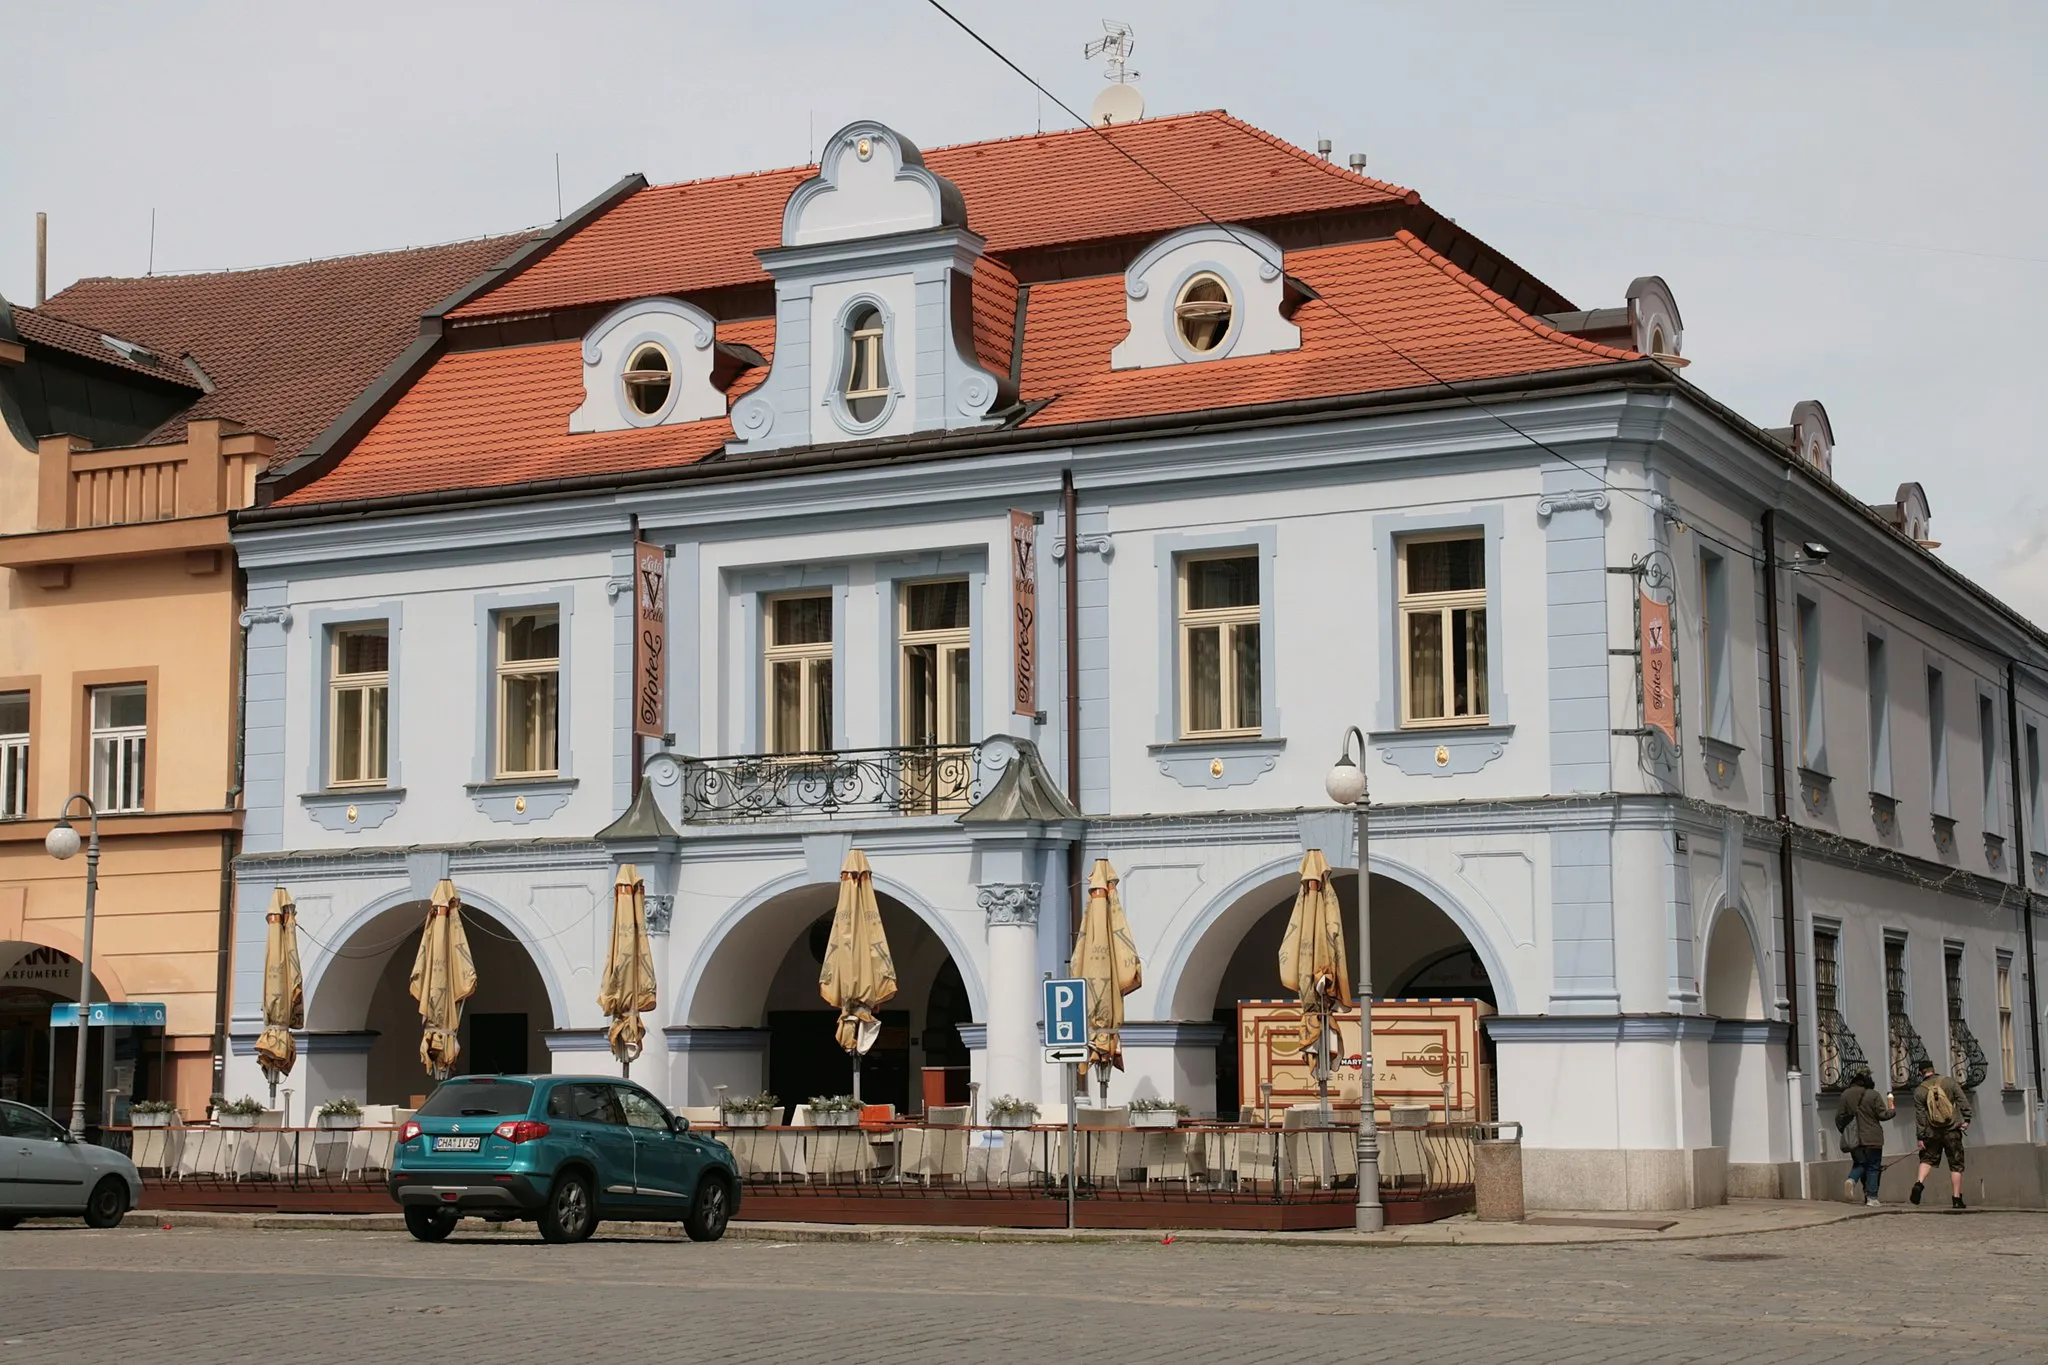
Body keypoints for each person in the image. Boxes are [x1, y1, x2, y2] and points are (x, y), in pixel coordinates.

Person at [1909, 1058, 1972, 1210]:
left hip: (1932, 1132)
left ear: (1920, 1073)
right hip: (1952, 1130)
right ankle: (1957, 1198)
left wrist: (1921, 1136)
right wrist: (1967, 1118)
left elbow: (1921, 1116)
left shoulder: (1920, 1091)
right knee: (1956, 1164)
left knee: (1927, 1159)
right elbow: (1962, 1100)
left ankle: (1919, 1183)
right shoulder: (1949, 1082)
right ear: (1933, 1068)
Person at [1834, 1066, 1892, 1206]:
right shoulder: (1873, 1094)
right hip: (1872, 1137)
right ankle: (1872, 1197)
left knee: (1860, 1163)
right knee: (1873, 1166)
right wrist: (1892, 1110)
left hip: (1854, 1138)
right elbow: (1882, 1115)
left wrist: (1846, 1131)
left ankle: (1851, 1179)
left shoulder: (1845, 1095)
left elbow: (1839, 1117)